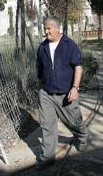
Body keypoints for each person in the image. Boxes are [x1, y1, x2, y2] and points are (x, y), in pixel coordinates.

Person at [36, 16, 89, 168]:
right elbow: (40, 68)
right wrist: (41, 86)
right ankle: (48, 157)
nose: (46, 32)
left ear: (58, 29)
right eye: (45, 29)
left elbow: (78, 66)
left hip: (66, 93)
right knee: (47, 125)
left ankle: (83, 136)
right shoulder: (42, 47)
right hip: (46, 93)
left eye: (48, 29)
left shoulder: (69, 45)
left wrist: (75, 87)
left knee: (73, 121)